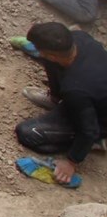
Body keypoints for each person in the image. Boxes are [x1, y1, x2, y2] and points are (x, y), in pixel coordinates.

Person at [14, 22, 107, 185]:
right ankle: (55, 99)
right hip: (93, 95)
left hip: (99, 119)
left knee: (28, 133)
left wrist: (71, 161)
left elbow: (88, 130)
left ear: (52, 54)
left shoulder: (75, 89)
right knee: (49, 63)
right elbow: (49, 59)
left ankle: (99, 141)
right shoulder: (79, 37)